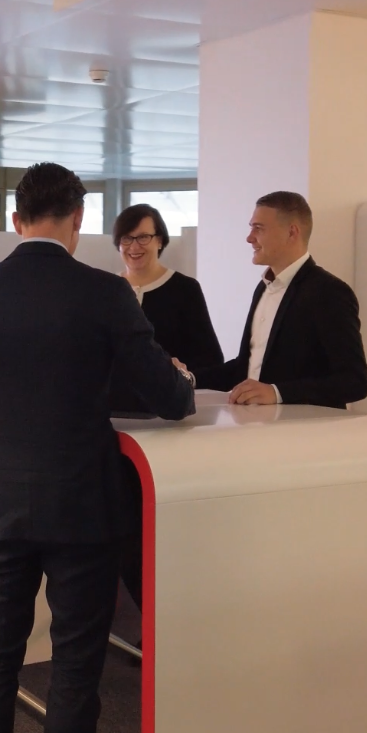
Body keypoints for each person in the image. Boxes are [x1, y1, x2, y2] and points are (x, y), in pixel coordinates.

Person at [0, 163, 195, 733]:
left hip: (0, 502)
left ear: (17, 220)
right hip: (82, 504)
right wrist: (182, 380)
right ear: (78, 219)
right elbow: (169, 399)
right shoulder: (105, 292)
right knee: (76, 668)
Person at [108, 203, 222, 616]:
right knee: (120, 529)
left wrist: (179, 371)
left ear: (160, 240)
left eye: (144, 237)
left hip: (168, 428)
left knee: (158, 531)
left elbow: (210, 360)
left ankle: (165, 621)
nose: (134, 246)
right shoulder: (108, 290)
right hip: (116, 427)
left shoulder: (184, 289)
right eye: (126, 238)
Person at [193, 191, 367, 409]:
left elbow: (355, 382)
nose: (249, 238)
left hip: (303, 428)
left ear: (291, 232)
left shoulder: (329, 292)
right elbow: (246, 368)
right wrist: (189, 379)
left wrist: (277, 393)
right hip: (257, 424)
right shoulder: (263, 288)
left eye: (258, 228)